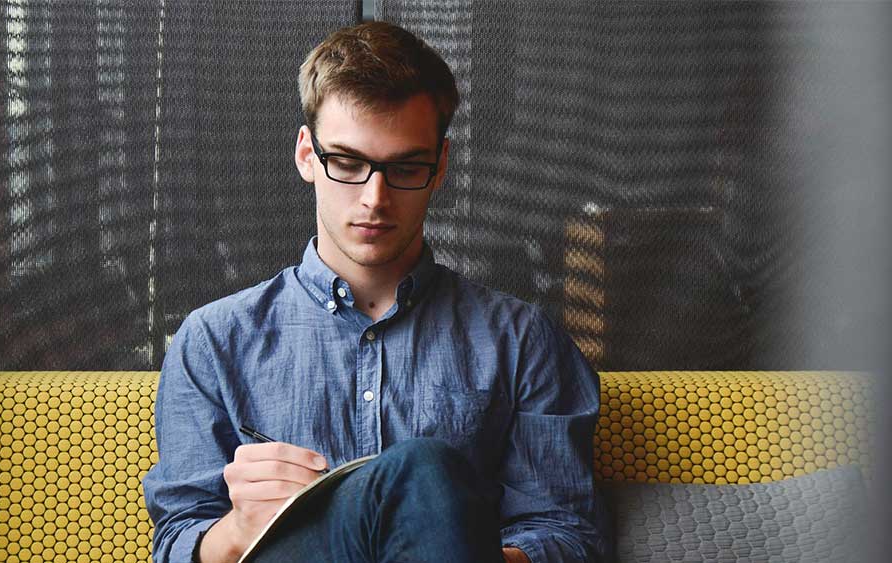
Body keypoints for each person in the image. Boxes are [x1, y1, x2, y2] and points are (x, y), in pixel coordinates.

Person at [143, 21, 608, 563]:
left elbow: (570, 536)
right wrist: (241, 527)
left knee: (425, 473)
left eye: (406, 167)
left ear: (440, 168)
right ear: (307, 156)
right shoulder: (215, 340)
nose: (375, 198)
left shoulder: (522, 340)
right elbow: (175, 542)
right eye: (347, 163)